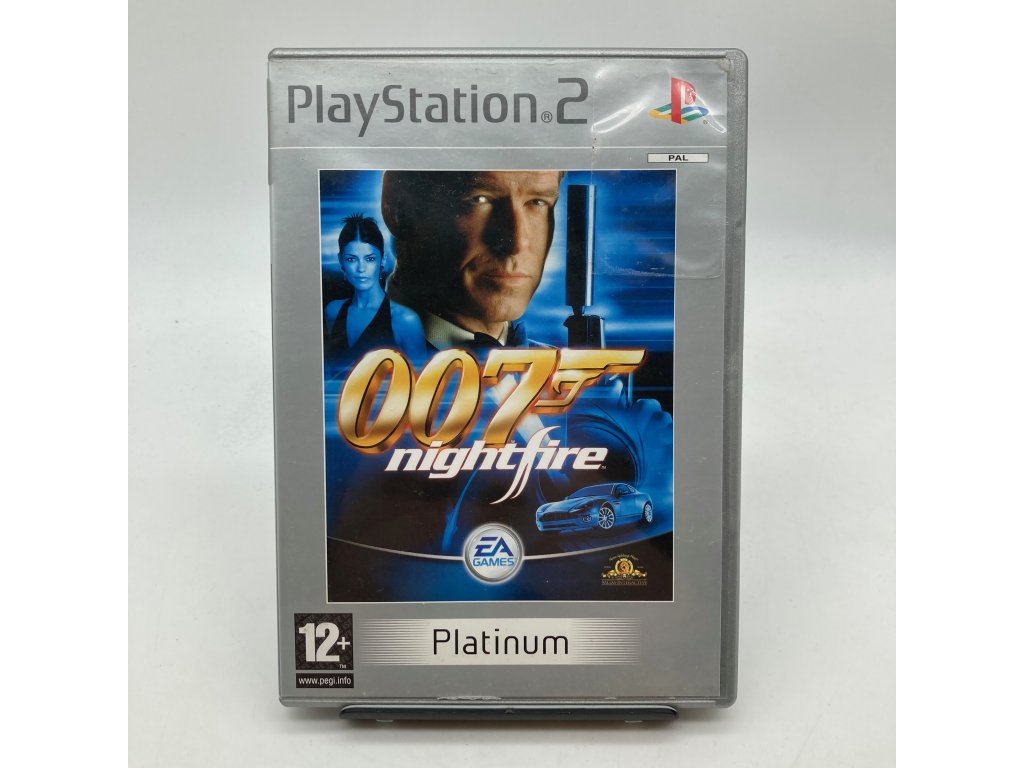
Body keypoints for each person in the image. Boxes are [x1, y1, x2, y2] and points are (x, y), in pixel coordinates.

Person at [380, 171, 562, 351]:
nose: (516, 243)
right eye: (479, 199)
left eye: (537, 202)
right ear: (398, 210)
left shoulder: (562, 365)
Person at [323, 213, 426, 365]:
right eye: (351, 259)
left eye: (370, 259)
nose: (361, 268)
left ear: (382, 260)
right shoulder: (333, 311)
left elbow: (421, 378)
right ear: (341, 260)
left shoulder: (404, 320)